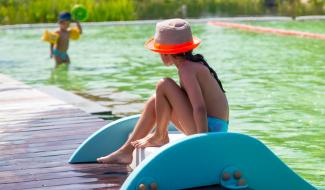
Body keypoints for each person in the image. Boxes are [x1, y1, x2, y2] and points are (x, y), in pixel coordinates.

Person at [97, 18, 229, 164]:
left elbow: (199, 108)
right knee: (155, 100)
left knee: (164, 84)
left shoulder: (186, 69)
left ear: (166, 53)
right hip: (211, 127)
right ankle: (126, 151)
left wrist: (202, 143)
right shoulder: (191, 65)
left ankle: (160, 136)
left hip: (210, 132)